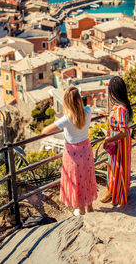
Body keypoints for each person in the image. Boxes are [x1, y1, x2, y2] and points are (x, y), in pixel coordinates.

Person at [42, 87, 97, 215]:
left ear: (66, 102)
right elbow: (85, 110)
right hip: (86, 149)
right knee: (87, 177)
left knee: (76, 180)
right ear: (79, 99)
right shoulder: (88, 111)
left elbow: (45, 131)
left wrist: (58, 122)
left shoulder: (66, 119)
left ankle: (81, 210)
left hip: (73, 153)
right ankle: (90, 207)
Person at [100, 76, 132, 206]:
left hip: (119, 142)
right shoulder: (121, 106)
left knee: (118, 167)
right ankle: (113, 190)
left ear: (113, 92)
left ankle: (117, 194)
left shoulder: (120, 109)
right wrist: (107, 115)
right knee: (116, 167)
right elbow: (119, 120)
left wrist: (107, 140)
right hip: (120, 142)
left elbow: (122, 132)